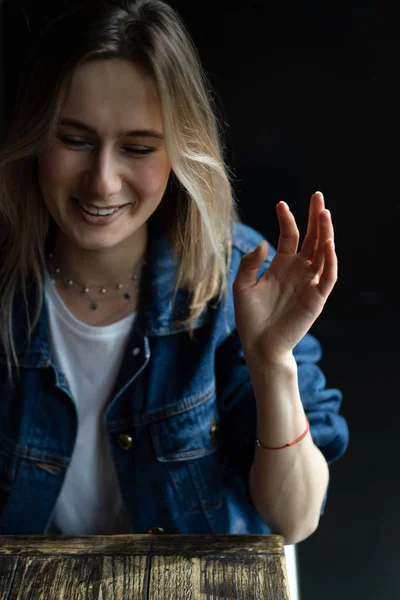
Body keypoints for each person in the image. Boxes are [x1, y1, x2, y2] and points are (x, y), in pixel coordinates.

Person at [0, 0, 348, 542]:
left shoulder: (238, 276)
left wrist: (272, 363)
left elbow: (296, 519)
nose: (102, 182)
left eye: (137, 147)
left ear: (181, 153)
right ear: (34, 137)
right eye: (74, 140)